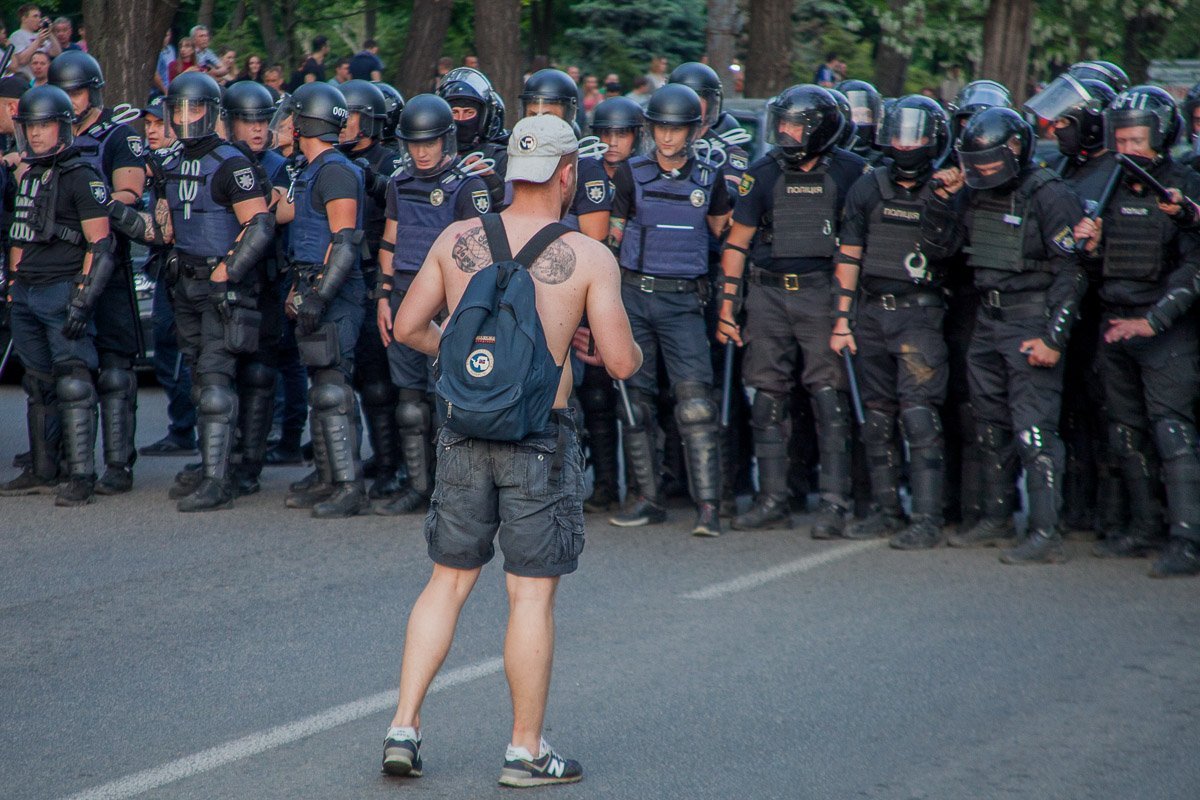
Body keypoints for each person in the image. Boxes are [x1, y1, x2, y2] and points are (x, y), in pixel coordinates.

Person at [381, 112, 641, 788]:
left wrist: (468, 359)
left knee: (447, 581)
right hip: (537, 439)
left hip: (464, 429)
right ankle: (525, 751)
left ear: (507, 174)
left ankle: (403, 726)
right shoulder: (588, 256)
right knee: (529, 598)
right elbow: (619, 361)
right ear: (567, 174)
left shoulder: (457, 236)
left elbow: (408, 326)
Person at [921, 107, 1086, 564]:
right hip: (987, 322)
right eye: (977, 165)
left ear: (1015, 150)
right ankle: (996, 517)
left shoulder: (1050, 194)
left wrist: (1054, 338)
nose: (983, 173)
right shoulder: (973, 192)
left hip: (1031, 320)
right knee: (989, 426)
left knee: (1035, 432)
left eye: (991, 164)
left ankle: (1045, 531)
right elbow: (941, 252)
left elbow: (1071, 272)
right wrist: (939, 199)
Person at [717, 85, 867, 535]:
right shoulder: (761, 174)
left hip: (822, 293)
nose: (784, 132)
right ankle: (772, 499)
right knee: (766, 398)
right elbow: (737, 243)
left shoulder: (853, 173)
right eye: (779, 123)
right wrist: (727, 309)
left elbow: (856, 247)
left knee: (829, 397)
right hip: (767, 296)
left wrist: (843, 314)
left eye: (794, 125)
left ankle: (836, 503)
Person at [1073, 86, 1200, 577]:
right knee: (1125, 431)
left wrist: (1154, 320)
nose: (1127, 150)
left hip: (1164, 329)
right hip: (1114, 323)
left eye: (1136, 141)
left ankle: (1186, 539)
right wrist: (1088, 245)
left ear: (1161, 137)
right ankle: (1144, 526)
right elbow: (1092, 264)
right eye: (1119, 140)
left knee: (1172, 431)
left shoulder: (1184, 185)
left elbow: (1193, 268)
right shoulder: (1106, 189)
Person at [607, 83, 732, 536]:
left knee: (696, 405)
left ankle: (709, 508)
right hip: (635, 297)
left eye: (675, 129)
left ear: (693, 131)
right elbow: (612, 240)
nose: (666, 137)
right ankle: (647, 498)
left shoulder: (710, 178)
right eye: (660, 127)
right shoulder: (630, 174)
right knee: (634, 405)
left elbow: (725, 235)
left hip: (684, 301)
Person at [147, 73, 275, 511]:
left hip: (223, 286)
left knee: (217, 381)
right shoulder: (172, 161)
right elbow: (164, 229)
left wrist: (226, 272)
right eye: (178, 110)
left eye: (194, 108)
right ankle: (211, 465)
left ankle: (219, 482)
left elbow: (259, 225)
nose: (185, 118)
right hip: (184, 283)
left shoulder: (231, 162)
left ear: (212, 112)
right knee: (202, 379)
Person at [830, 95, 952, 548]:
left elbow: (950, 250)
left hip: (919, 316)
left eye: (915, 136)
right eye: (897, 134)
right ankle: (886, 509)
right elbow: (849, 254)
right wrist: (842, 321)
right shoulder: (868, 187)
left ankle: (927, 518)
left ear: (934, 139)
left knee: (919, 417)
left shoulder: (946, 191)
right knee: (876, 418)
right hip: (870, 314)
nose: (905, 145)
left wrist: (944, 198)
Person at [372, 94, 492, 515]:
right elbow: (391, 238)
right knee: (409, 405)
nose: (422, 152)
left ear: (446, 139)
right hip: (404, 295)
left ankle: (454, 493)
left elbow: (480, 257)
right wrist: (383, 295)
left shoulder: (467, 185)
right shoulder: (399, 182)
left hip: (448, 303)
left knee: (448, 403)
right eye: (414, 143)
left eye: (430, 142)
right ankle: (418, 488)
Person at [1024, 71, 1125, 539]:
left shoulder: (1120, 171)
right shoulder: (1063, 170)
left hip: (1108, 309)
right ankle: (1078, 508)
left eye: (1066, 120)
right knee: (1071, 412)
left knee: (1112, 416)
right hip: (1066, 312)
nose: (1054, 129)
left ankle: (1119, 515)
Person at [0, 85, 113, 504]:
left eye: (45, 125)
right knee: (38, 384)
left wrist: (83, 298)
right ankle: (45, 469)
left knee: (74, 384)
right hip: (27, 292)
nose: (37, 134)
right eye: (31, 126)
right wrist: (13, 285)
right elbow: (19, 234)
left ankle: (81, 476)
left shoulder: (82, 175)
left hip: (63, 289)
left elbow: (100, 246)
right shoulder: (27, 174)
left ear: (63, 128)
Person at [50, 51, 147, 496]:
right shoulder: (46, 134)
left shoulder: (118, 136)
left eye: (77, 91)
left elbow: (129, 192)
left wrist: (90, 201)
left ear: (93, 90)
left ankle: (117, 463)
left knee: (115, 368)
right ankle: (65, 459)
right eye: (64, 92)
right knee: (66, 368)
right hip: (58, 264)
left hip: (107, 257)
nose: (71, 101)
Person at [275, 82, 370, 518]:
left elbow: (345, 242)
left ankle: (349, 486)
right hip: (312, 284)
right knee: (322, 388)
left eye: (293, 116)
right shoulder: (310, 168)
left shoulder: (335, 170)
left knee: (334, 389)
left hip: (334, 292)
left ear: (306, 121)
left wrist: (319, 297)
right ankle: (329, 476)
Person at [336, 80, 407, 501]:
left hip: (380, 279)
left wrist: (370, 177)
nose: (343, 122)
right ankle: (376, 459)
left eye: (351, 114)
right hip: (344, 277)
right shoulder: (330, 160)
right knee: (359, 380)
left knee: (387, 383)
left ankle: (396, 465)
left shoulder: (391, 160)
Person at [575, 95, 644, 512]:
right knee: (596, 396)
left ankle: (647, 487)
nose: (612, 141)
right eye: (605, 133)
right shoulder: (584, 173)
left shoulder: (646, 176)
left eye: (621, 133)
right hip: (591, 290)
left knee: (639, 397)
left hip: (636, 293)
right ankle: (604, 485)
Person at [137, 95, 199, 457]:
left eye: (159, 124)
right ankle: (181, 428)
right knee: (165, 345)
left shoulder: (184, 163)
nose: (153, 131)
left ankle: (185, 430)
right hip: (164, 268)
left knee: (180, 350)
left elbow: (168, 229)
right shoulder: (154, 164)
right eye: (148, 125)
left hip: (188, 270)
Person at [436, 67, 509, 207]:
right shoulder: (431, 154)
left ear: (482, 118)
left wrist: (491, 178)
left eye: (469, 113)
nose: (461, 119)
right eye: (454, 112)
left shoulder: (500, 157)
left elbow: (509, 209)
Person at [834, 79, 885, 166]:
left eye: (866, 115)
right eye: (856, 115)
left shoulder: (882, 161)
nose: (861, 120)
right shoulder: (830, 159)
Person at [10, 5, 62, 78]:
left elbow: (57, 53)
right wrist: (38, 41)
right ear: (24, 19)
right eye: (35, 16)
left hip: (44, 79)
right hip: (27, 80)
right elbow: (22, 60)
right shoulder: (16, 36)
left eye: (39, 16)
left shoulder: (39, 35)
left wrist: (50, 33)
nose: (39, 19)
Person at [153, 29, 177, 96]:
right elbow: (154, 74)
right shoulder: (155, 53)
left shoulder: (171, 50)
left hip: (171, 88)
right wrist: (165, 91)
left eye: (166, 35)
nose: (164, 38)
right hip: (158, 92)